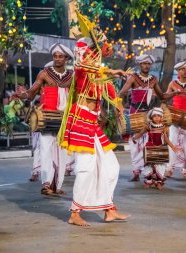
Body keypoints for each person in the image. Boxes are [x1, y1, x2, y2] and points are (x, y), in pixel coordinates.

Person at [58, 16, 129, 226]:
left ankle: (109, 209)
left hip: (93, 124)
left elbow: (106, 86)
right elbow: (88, 65)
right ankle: (74, 213)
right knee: (85, 169)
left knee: (111, 167)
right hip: (80, 119)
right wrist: (109, 69)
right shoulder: (83, 64)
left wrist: (118, 105)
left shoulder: (98, 69)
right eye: (104, 45)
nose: (108, 49)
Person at [14, 43, 74, 195]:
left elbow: (77, 97)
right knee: (46, 149)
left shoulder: (72, 76)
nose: (57, 59)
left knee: (62, 152)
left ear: (66, 58)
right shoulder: (44, 73)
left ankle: (57, 186)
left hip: (64, 118)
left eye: (60, 56)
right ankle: (46, 183)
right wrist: (23, 95)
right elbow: (32, 92)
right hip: (47, 116)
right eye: (55, 56)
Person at [117, 54, 170, 182]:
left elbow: (161, 96)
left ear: (150, 65)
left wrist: (175, 93)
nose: (146, 66)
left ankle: (150, 172)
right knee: (135, 143)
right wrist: (118, 108)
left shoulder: (154, 80)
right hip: (135, 115)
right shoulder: (133, 78)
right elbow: (121, 94)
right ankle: (136, 171)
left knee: (149, 143)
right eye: (144, 63)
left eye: (148, 64)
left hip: (148, 115)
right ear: (140, 65)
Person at [132, 107, 178, 189]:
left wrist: (172, 146)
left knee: (160, 165)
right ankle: (148, 181)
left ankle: (159, 182)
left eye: (158, 116)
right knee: (148, 164)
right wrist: (134, 138)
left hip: (160, 147)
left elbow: (166, 139)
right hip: (150, 147)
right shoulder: (148, 126)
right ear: (151, 117)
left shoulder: (163, 127)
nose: (157, 118)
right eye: (155, 116)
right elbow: (141, 133)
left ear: (161, 117)